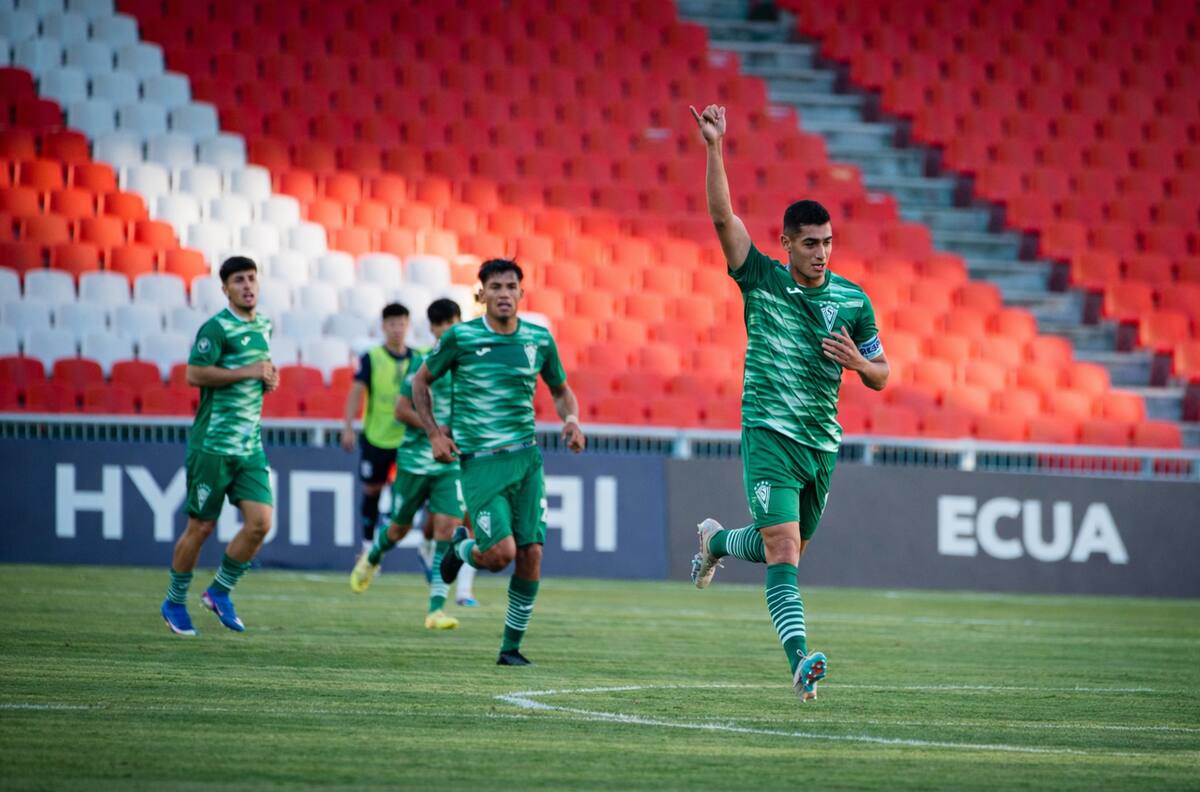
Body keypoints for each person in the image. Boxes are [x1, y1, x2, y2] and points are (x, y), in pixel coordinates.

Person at [688, 104, 890, 701]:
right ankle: (801, 664)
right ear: (786, 244)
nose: (821, 253)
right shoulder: (762, 279)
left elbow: (883, 376)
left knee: (788, 546)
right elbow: (723, 217)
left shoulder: (854, 301)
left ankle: (717, 541)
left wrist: (860, 365)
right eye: (809, 244)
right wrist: (715, 147)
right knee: (783, 550)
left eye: (827, 243)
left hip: (820, 444)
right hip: (768, 433)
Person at [413, 259, 586, 666]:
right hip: (481, 465)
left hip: (527, 462)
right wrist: (435, 434)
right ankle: (462, 550)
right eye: (495, 287)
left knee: (532, 554)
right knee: (500, 554)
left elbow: (561, 390)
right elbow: (421, 382)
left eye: (511, 286)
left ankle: (510, 648)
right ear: (481, 295)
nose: (504, 293)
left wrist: (572, 420)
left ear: (521, 294)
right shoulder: (461, 338)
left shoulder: (539, 341)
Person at [161, 256, 279, 636]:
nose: (247, 285)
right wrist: (248, 372)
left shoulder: (264, 324)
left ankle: (218, 592)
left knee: (261, 523)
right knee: (201, 526)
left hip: (249, 446)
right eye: (239, 280)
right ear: (225, 288)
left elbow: (256, 371)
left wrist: (267, 378)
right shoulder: (216, 327)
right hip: (213, 445)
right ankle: (174, 601)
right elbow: (194, 373)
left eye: (252, 278)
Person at [350, 298, 478, 627]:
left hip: (449, 463)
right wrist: (435, 428)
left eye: (454, 322)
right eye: (442, 324)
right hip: (415, 461)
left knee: (446, 530)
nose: (448, 329)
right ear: (433, 329)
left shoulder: (469, 366)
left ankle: (435, 609)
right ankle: (372, 557)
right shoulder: (422, 362)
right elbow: (401, 410)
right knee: (398, 528)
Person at [341, 303, 412, 558]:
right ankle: (367, 545)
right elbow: (356, 392)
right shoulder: (371, 358)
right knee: (372, 491)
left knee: (406, 492)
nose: (397, 329)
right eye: (392, 324)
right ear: (383, 327)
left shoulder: (417, 359)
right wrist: (348, 427)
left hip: (407, 439)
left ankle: (386, 527)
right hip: (376, 437)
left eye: (401, 323)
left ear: (408, 325)